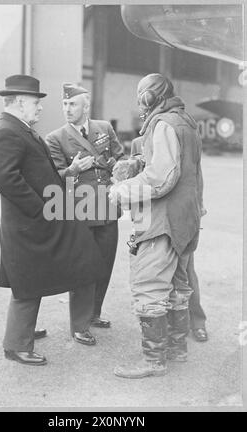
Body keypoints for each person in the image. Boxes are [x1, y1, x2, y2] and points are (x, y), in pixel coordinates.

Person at [0, 74, 104, 365]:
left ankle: (33, 330)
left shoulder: (20, 128)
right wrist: (41, 209)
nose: (40, 108)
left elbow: (41, 174)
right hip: (31, 222)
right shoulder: (7, 131)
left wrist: (66, 175)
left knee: (76, 259)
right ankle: (16, 344)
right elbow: (6, 179)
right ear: (17, 102)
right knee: (28, 280)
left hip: (40, 219)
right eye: (34, 102)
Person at [109, 73, 204, 378]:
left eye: (142, 95)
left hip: (162, 221)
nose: (139, 101)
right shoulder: (185, 121)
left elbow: (162, 178)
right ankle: (177, 350)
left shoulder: (163, 124)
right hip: (186, 219)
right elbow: (188, 169)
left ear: (152, 96)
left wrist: (121, 189)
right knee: (177, 286)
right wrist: (138, 165)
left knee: (149, 286)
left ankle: (153, 361)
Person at [46, 83, 125, 344]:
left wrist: (119, 169)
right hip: (80, 211)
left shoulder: (104, 128)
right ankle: (79, 324)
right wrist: (73, 170)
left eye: (73, 104)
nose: (67, 109)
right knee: (83, 267)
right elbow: (53, 177)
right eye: (65, 104)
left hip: (108, 208)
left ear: (85, 106)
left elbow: (119, 158)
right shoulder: (55, 138)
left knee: (104, 263)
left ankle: (94, 313)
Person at [131, 137, 208, 343]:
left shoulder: (177, 137)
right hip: (153, 218)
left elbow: (195, 175)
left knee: (185, 273)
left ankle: (197, 322)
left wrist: (198, 206)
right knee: (155, 276)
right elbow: (135, 182)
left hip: (179, 215)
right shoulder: (138, 143)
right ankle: (167, 332)